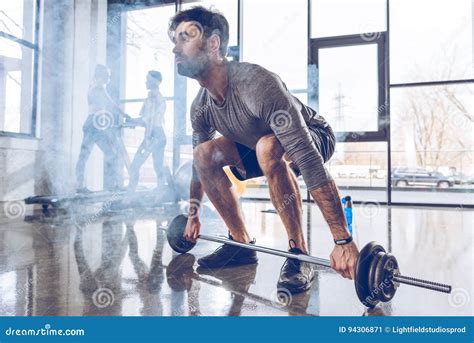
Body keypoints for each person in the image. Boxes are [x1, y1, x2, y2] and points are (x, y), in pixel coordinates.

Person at [169, 7, 359, 294]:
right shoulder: (202, 106)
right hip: (254, 145)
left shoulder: (257, 84)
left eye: (184, 38)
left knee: (268, 146)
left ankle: (298, 254)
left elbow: (308, 158)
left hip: (314, 135)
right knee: (204, 154)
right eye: (175, 40)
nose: (175, 48)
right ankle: (241, 245)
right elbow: (200, 167)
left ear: (213, 44)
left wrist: (342, 240)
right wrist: (194, 215)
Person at [75, 64, 130, 193]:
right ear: (101, 75)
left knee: (107, 155)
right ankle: (82, 186)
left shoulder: (93, 86)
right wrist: (125, 115)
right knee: (101, 155)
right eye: (107, 76)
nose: (109, 79)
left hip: (95, 124)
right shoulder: (98, 88)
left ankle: (109, 185)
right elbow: (111, 104)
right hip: (93, 125)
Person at [127, 71, 167, 191]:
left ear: (154, 82)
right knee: (158, 167)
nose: (146, 82)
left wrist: (133, 122)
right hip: (156, 135)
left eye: (148, 80)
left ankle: (130, 194)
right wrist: (132, 121)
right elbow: (145, 119)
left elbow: (148, 121)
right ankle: (160, 192)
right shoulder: (149, 98)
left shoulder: (156, 99)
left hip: (155, 135)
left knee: (135, 166)